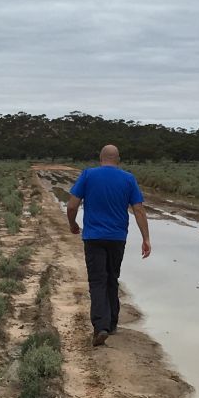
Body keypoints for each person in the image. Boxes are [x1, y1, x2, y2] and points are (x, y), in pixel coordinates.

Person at [66, 144, 151, 346]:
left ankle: (100, 327)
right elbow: (138, 210)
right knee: (112, 278)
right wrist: (146, 238)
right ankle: (112, 323)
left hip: (94, 237)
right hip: (117, 237)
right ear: (118, 159)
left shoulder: (88, 175)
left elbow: (71, 205)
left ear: (100, 158)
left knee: (97, 281)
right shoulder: (128, 178)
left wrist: (73, 224)